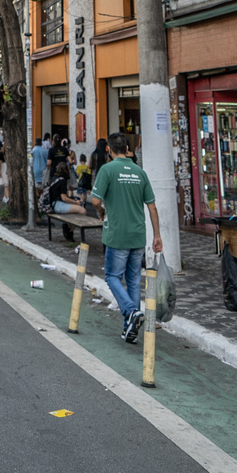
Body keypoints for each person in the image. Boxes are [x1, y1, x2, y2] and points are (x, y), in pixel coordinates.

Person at [91, 131, 161, 344]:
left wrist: (102, 211)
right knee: (132, 281)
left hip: (117, 235)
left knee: (112, 277)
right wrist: (157, 236)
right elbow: (152, 207)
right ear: (128, 150)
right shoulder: (140, 172)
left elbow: (95, 201)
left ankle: (130, 311)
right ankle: (130, 330)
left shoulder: (107, 169)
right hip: (138, 235)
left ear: (109, 150)